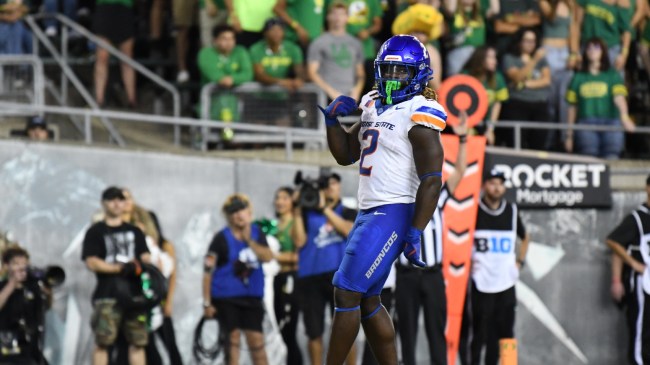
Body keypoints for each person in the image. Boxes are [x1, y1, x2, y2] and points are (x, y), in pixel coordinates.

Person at [317, 34, 447, 365]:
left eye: (400, 72)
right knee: (368, 300)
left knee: (346, 291)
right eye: (387, 70)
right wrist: (333, 122)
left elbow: (432, 180)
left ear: (418, 74)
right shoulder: (373, 102)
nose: (391, 78)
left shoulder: (420, 111)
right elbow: (346, 154)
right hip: (369, 209)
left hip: (392, 210)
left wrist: (416, 229)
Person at [395, 113, 468, 365]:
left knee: (437, 332)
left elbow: (459, 171)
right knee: (407, 335)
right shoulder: (401, 199)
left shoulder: (438, 196)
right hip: (405, 277)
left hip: (433, 275)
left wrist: (464, 139)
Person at [293, 172, 358, 365]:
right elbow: (298, 241)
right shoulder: (305, 213)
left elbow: (349, 231)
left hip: (340, 277)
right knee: (314, 332)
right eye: (326, 185)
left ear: (339, 186)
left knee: (345, 331)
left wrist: (324, 209)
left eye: (334, 183)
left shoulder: (346, 211)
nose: (330, 188)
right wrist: (296, 210)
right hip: (310, 278)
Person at [82, 187, 151, 365]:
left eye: (120, 200)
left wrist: (137, 267)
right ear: (104, 203)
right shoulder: (96, 231)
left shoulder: (135, 231)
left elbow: (146, 258)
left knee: (137, 342)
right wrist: (119, 268)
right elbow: (91, 261)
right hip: (108, 294)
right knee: (103, 342)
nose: (117, 204)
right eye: (112, 200)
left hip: (134, 294)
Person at [202, 193, 273, 365]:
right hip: (226, 298)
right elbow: (207, 272)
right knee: (232, 341)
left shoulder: (257, 234)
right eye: (233, 212)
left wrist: (249, 240)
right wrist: (207, 303)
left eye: (241, 210)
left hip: (252, 297)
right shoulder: (220, 238)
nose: (238, 215)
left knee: (256, 341)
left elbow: (268, 256)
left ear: (249, 212)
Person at [469, 170, 529, 365]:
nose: (496, 187)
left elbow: (525, 237)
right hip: (481, 283)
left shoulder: (511, 210)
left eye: (500, 183)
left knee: (506, 334)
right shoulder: (473, 210)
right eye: (492, 183)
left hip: (506, 283)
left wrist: (519, 262)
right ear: (484, 185)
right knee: (479, 334)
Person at [564, 37, 635, 158]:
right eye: (589, 48)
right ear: (585, 52)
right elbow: (572, 108)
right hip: (586, 123)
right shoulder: (578, 77)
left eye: (596, 47)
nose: (592, 50)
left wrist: (624, 116)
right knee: (589, 159)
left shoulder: (612, 74)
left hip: (611, 122)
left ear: (603, 52)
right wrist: (569, 135)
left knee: (612, 157)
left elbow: (619, 97)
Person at [606, 173, 650, 365]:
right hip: (642, 283)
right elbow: (614, 242)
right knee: (641, 332)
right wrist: (632, 265)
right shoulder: (637, 219)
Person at [198, 25, 253, 139]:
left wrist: (233, 79)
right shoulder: (206, 53)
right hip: (213, 102)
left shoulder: (240, 51)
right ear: (215, 40)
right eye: (224, 38)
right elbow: (214, 75)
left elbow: (248, 74)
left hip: (236, 101)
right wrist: (229, 78)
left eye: (231, 38)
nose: (229, 42)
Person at [501, 28, 552, 150]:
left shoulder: (542, 59)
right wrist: (534, 60)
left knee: (539, 141)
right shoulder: (510, 58)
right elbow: (517, 77)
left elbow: (546, 80)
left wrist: (525, 84)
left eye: (533, 41)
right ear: (519, 41)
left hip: (539, 103)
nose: (530, 44)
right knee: (517, 141)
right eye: (527, 40)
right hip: (518, 103)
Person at [270, 187, 303, 365]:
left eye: (284, 198)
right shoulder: (274, 225)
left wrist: (273, 255)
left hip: (291, 278)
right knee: (282, 331)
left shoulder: (295, 223)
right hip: (276, 279)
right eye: (277, 197)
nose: (280, 201)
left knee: (289, 331)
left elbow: (299, 253)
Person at [307, 1, 365, 102]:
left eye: (342, 14)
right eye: (334, 14)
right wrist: (332, 92)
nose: (338, 18)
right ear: (328, 17)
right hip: (325, 97)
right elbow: (312, 72)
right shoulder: (319, 42)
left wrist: (356, 91)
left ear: (347, 18)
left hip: (350, 97)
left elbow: (360, 74)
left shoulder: (355, 43)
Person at [0, 246, 45, 365]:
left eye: (24, 263)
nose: (21, 267)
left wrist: (48, 290)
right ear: (6, 266)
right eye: (16, 264)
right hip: (6, 348)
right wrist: (12, 284)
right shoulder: (2, 286)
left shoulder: (33, 288)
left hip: (29, 348)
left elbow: (45, 308)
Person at [92, 0, 137, 108]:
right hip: (105, 7)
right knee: (102, 56)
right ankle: (99, 100)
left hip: (125, 7)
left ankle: (132, 101)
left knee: (127, 58)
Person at [461, 46, 509, 145]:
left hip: (486, 125)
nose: (494, 61)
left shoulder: (497, 78)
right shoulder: (465, 76)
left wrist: (490, 129)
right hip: (467, 125)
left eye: (495, 58)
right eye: (490, 57)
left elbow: (497, 104)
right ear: (480, 59)